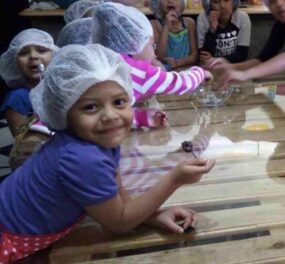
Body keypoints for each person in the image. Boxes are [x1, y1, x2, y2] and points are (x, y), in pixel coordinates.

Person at [0, 44, 216, 263]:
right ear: (63, 112)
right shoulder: (83, 158)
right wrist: (174, 179)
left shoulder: (100, 143)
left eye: (119, 102)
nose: (110, 116)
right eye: (91, 107)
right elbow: (119, 223)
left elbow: (120, 201)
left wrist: (155, 216)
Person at [92, 2, 212, 128]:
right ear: (135, 44)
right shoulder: (140, 72)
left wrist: (142, 118)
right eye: (152, 44)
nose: (154, 51)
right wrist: (201, 72)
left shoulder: (101, 61)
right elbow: (181, 83)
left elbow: (107, 116)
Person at [0, 29, 57, 137]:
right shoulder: (18, 98)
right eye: (23, 53)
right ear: (14, 62)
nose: (33, 56)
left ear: (54, 55)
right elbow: (22, 140)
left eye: (41, 50)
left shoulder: (60, 90)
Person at [150, 0, 199, 70]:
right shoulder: (154, 24)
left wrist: (177, 62)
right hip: (165, 73)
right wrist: (166, 26)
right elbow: (159, 56)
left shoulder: (189, 23)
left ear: (182, 3)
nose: (170, 1)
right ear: (157, 3)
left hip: (187, 71)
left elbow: (194, 57)